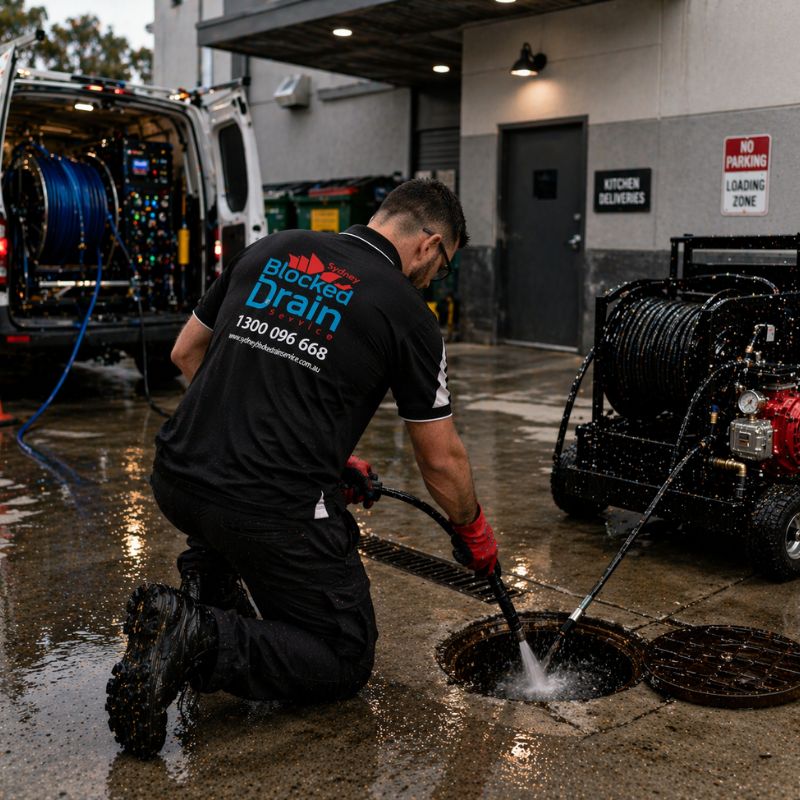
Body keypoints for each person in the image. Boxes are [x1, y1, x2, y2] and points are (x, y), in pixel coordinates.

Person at [106, 178, 499, 758]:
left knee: (233, 518)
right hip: (267, 508)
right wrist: (473, 530)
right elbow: (441, 461)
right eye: (440, 266)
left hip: (178, 476)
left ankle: (206, 587)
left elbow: (186, 352)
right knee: (343, 655)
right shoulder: (407, 314)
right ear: (428, 244)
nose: (432, 278)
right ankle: (197, 637)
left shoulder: (271, 248)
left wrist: (320, 452)